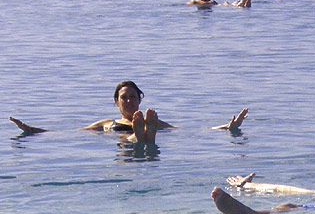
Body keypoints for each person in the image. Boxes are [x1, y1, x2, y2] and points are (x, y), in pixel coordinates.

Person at [9, 81, 247, 143]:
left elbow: (189, 131)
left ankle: (140, 135)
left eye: (134, 97)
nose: (130, 101)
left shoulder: (154, 120)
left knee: (134, 143)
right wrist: (32, 129)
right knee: (128, 145)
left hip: (143, 131)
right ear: (116, 102)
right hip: (131, 136)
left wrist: (226, 127)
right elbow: (68, 132)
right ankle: (139, 135)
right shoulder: (106, 124)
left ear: (139, 100)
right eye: (125, 98)